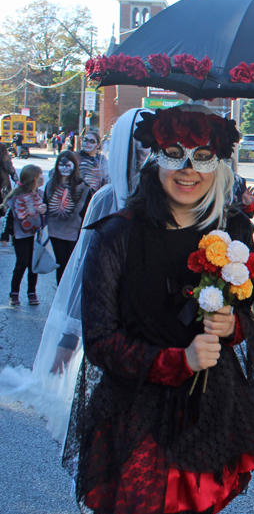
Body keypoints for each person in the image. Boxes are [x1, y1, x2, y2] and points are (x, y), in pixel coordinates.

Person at [61, 105, 254, 514]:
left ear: (219, 166)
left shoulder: (232, 233)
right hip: (142, 412)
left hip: (212, 410)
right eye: (175, 155)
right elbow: (101, 341)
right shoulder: (117, 237)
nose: (189, 169)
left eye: (202, 157)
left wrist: (230, 325)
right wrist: (178, 361)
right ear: (154, 160)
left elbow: (248, 324)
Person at [0, 108, 153, 444]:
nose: (148, 154)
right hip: (115, 337)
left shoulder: (175, 199)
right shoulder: (106, 200)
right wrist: (66, 345)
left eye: (154, 146)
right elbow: (86, 272)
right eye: (141, 146)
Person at [44, 151, 93, 284]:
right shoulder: (50, 185)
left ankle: (69, 293)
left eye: (68, 165)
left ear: (74, 166)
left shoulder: (84, 187)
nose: (65, 168)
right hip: (55, 231)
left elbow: (87, 212)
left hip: (74, 231)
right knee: (61, 263)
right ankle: (61, 292)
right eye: (61, 165)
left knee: (71, 265)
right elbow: (45, 205)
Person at [1, 165, 47, 306]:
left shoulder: (39, 194)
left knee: (33, 264)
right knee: (22, 262)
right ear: (33, 179)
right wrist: (5, 236)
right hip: (20, 234)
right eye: (40, 175)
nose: (42, 177)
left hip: (36, 234)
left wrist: (44, 211)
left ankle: (31, 292)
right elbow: (9, 216)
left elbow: (47, 213)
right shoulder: (16, 196)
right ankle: (14, 293)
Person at [0, 141, 19, 215]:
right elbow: (9, 166)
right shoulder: (2, 149)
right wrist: (16, 179)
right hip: (2, 182)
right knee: (3, 205)